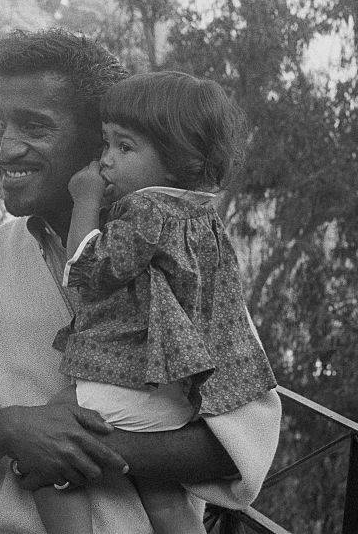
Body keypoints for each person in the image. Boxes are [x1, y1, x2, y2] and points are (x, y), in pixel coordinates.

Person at [0, 29, 282, 534]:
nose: (6, 147)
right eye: (0, 124)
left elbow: (242, 441)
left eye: (34, 127)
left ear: (96, 142)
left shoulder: (182, 258)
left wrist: (87, 449)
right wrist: (13, 428)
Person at [33, 71, 278, 534]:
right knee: (161, 491)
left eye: (124, 148)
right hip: (183, 392)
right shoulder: (201, 217)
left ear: (177, 160)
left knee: (50, 450)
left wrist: (84, 199)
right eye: (105, 145)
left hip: (139, 381)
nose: (105, 162)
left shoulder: (146, 212)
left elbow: (87, 274)